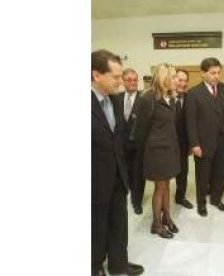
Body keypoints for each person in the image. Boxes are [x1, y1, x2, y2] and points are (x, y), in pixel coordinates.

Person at [91, 49, 144, 276]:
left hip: (118, 178)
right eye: (115, 76)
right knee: (96, 229)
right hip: (94, 181)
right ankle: (93, 267)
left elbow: (119, 140)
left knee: (118, 225)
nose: (120, 81)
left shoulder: (114, 100)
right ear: (96, 75)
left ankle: (118, 264)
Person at [134, 63, 181, 239]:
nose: (177, 80)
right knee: (159, 188)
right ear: (165, 78)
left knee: (167, 186)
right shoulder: (148, 99)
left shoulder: (171, 98)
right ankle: (156, 223)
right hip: (156, 152)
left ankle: (167, 217)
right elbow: (140, 130)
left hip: (170, 149)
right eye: (174, 76)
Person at [185, 57, 224, 217]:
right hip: (203, 142)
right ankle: (201, 203)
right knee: (203, 174)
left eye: (218, 73)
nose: (216, 76)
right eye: (212, 73)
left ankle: (216, 199)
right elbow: (190, 121)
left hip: (223, 141)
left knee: (220, 172)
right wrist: (194, 144)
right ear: (203, 74)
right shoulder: (194, 93)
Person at [115, 68, 146, 215]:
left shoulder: (144, 98)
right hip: (121, 146)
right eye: (129, 80)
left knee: (138, 175)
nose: (133, 82)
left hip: (139, 146)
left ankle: (137, 202)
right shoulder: (116, 98)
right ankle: (126, 196)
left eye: (135, 79)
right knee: (124, 174)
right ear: (123, 81)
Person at [173, 69, 194, 209]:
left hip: (184, 144)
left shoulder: (189, 98)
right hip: (168, 143)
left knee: (183, 172)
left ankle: (180, 197)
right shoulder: (165, 98)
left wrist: (192, 143)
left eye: (185, 80)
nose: (183, 83)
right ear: (174, 80)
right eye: (180, 80)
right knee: (164, 176)